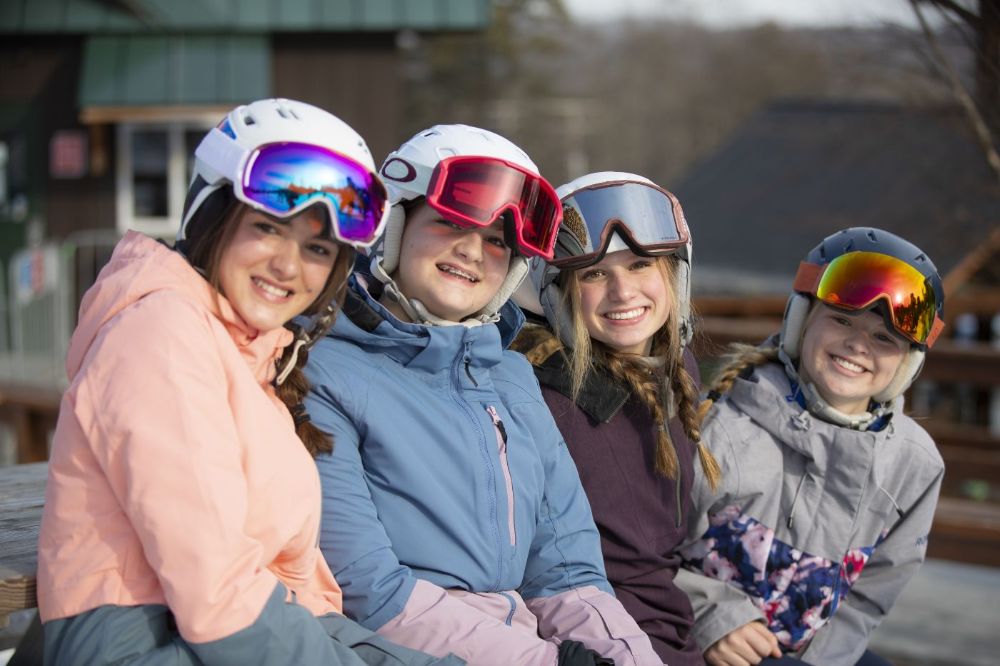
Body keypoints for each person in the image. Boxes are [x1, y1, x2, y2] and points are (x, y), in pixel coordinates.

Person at [37, 98, 460, 666]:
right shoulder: (160, 334)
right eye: (268, 228)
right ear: (209, 218)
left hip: (241, 627)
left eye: (317, 248)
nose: (288, 266)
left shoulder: (253, 356)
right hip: (145, 639)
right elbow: (216, 592)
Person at [303, 126, 663, 665]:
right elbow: (367, 589)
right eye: (450, 223)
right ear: (394, 227)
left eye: (497, 240)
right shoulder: (325, 373)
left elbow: (567, 572)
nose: (473, 251)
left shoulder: (511, 378)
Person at [676, 227, 947, 666]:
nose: (858, 345)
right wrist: (710, 618)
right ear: (801, 321)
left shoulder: (913, 465)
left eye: (884, 338)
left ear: (907, 363)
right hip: (703, 643)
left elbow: (870, 595)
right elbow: (650, 554)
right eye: (842, 320)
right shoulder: (721, 427)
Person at [511, 171, 721, 665]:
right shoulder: (544, 397)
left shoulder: (678, 374)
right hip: (601, 642)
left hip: (678, 632)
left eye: (640, 265)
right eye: (594, 274)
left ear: (674, 274)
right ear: (559, 292)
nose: (623, 292)